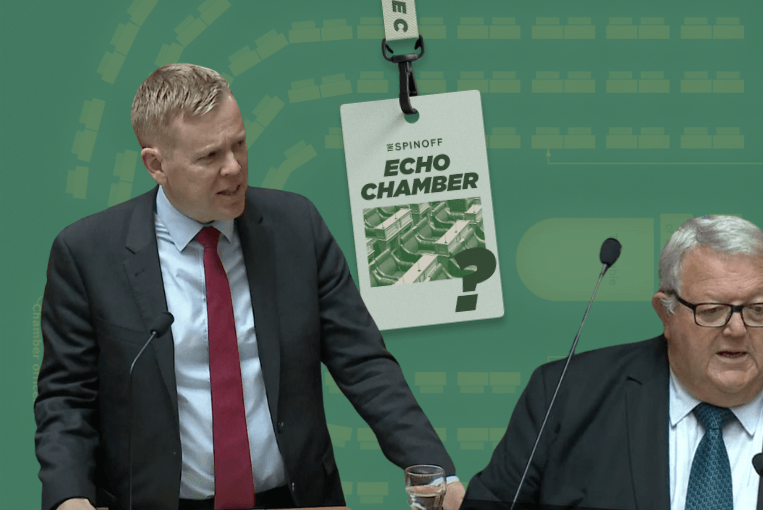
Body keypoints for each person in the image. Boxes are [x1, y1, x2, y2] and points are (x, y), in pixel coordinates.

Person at [35, 63, 465, 510]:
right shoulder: (88, 253)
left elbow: (364, 363)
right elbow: (66, 400)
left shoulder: (296, 227)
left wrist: (438, 473)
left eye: (238, 143)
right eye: (209, 157)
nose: (234, 168)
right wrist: (70, 498)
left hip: (294, 498)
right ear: (156, 165)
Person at [461, 216, 763, 510]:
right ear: (666, 313)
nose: (737, 329)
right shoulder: (566, 395)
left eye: (758, 309)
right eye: (712, 310)